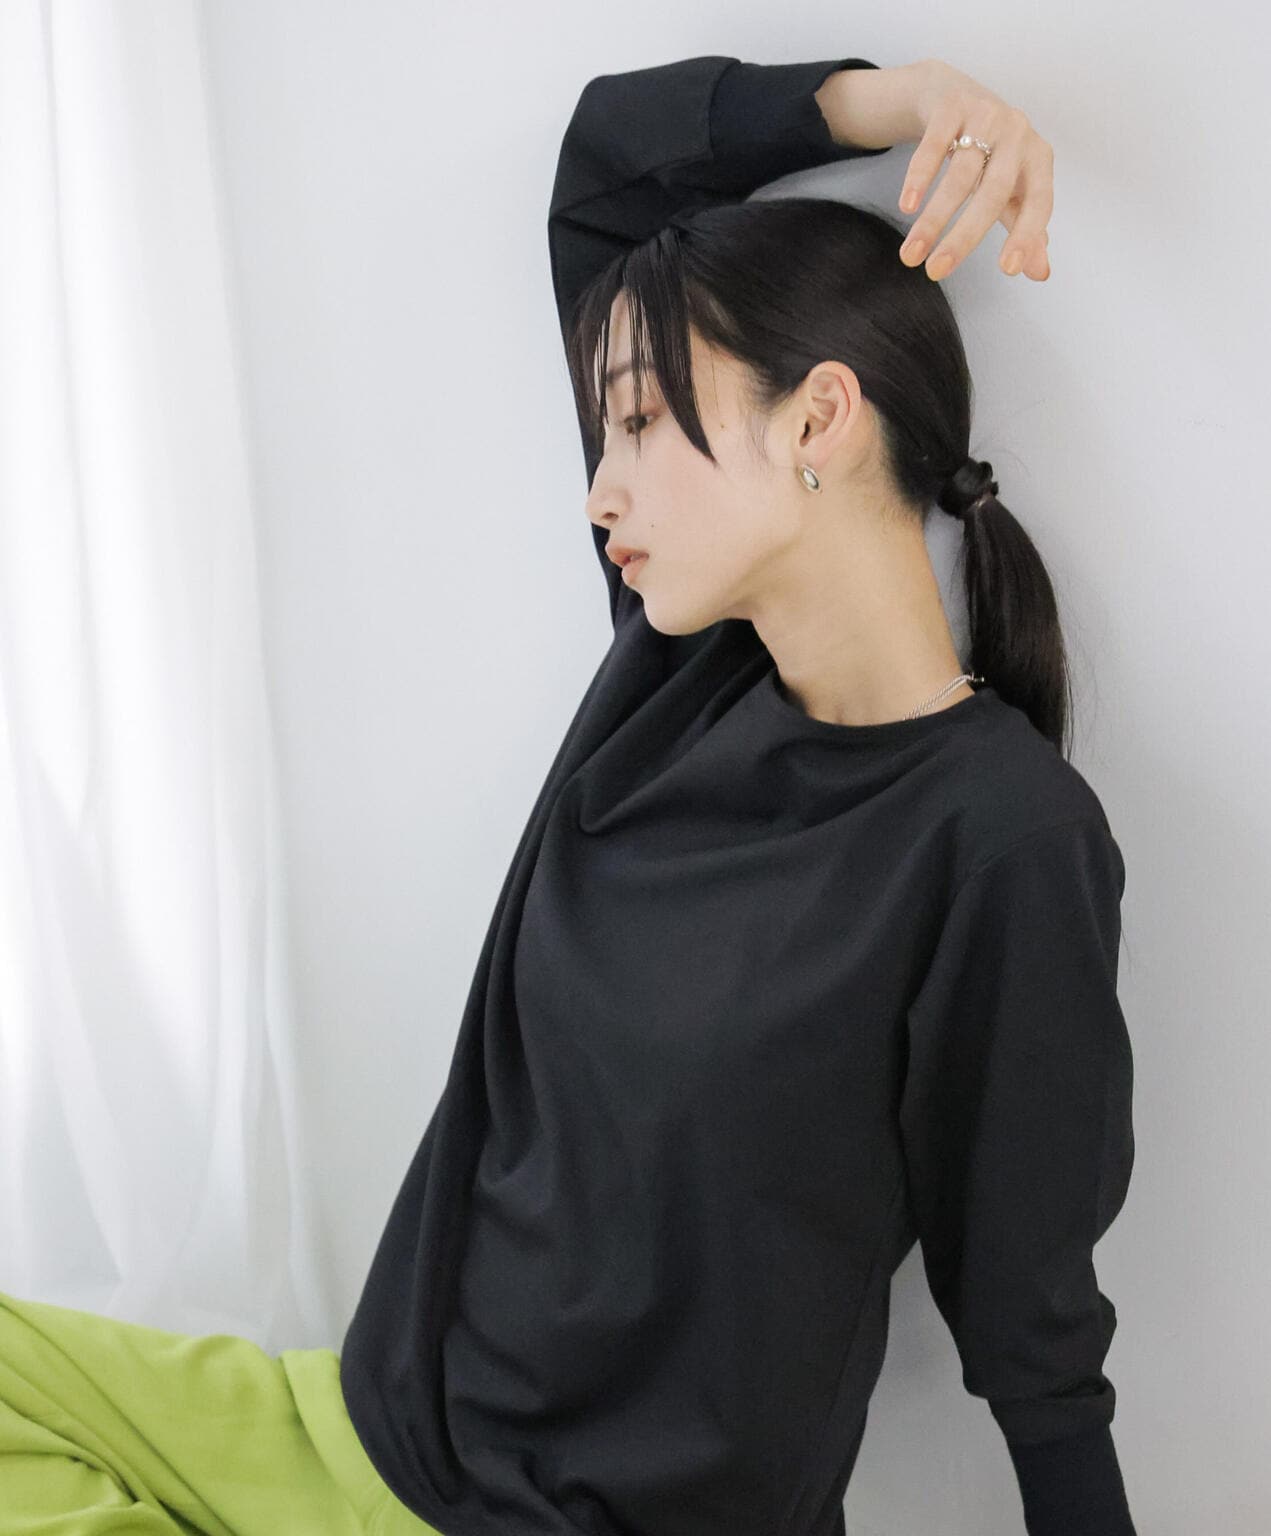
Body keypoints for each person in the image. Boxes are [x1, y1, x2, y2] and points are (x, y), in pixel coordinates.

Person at [0, 51, 1135, 1536]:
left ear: (819, 421)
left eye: (642, 422)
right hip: (364, 1437)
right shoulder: (675, 681)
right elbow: (611, 172)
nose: (603, 488)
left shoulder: (999, 834)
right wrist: (901, 100)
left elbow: (1033, 1321)